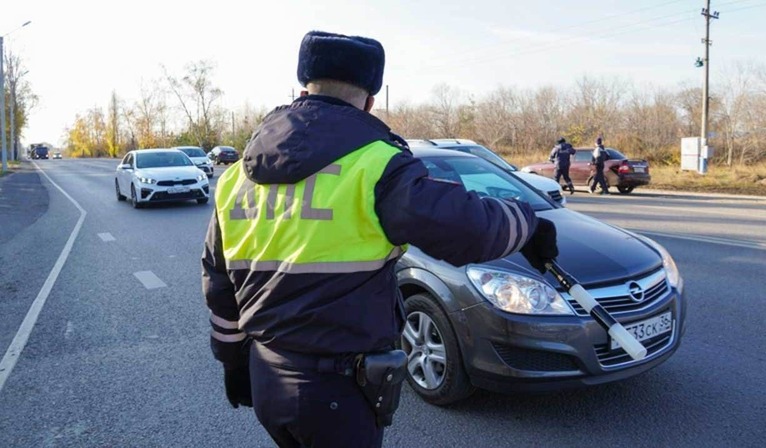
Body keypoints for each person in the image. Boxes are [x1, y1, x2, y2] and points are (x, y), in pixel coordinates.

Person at [201, 30, 559, 448]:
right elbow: (466, 227)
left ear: (302, 92)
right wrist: (528, 223)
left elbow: (218, 281)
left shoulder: (235, 178)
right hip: (338, 392)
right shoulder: (377, 164)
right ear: (371, 100)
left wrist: (232, 360)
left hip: (266, 378)